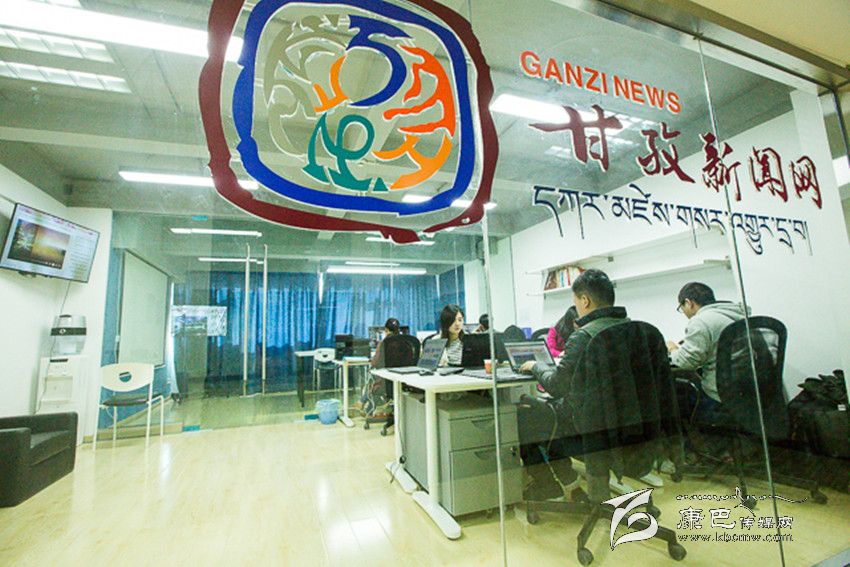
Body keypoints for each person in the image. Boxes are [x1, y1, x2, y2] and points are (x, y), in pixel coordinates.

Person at [517, 269, 630, 500]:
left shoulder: (584, 336)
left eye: (576, 302)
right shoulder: (633, 329)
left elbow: (557, 386)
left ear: (585, 300)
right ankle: (571, 481)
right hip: (631, 424)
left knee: (525, 414)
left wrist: (536, 366)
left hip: (587, 427)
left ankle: (551, 483)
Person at [667, 282, 748, 423]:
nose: (683, 312)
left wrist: (672, 349)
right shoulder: (736, 314)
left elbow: (686, 362)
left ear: (689, 303)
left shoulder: (700, 321)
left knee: (680, 392)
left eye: (681, 308)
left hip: (721, 395)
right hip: (748, 388)